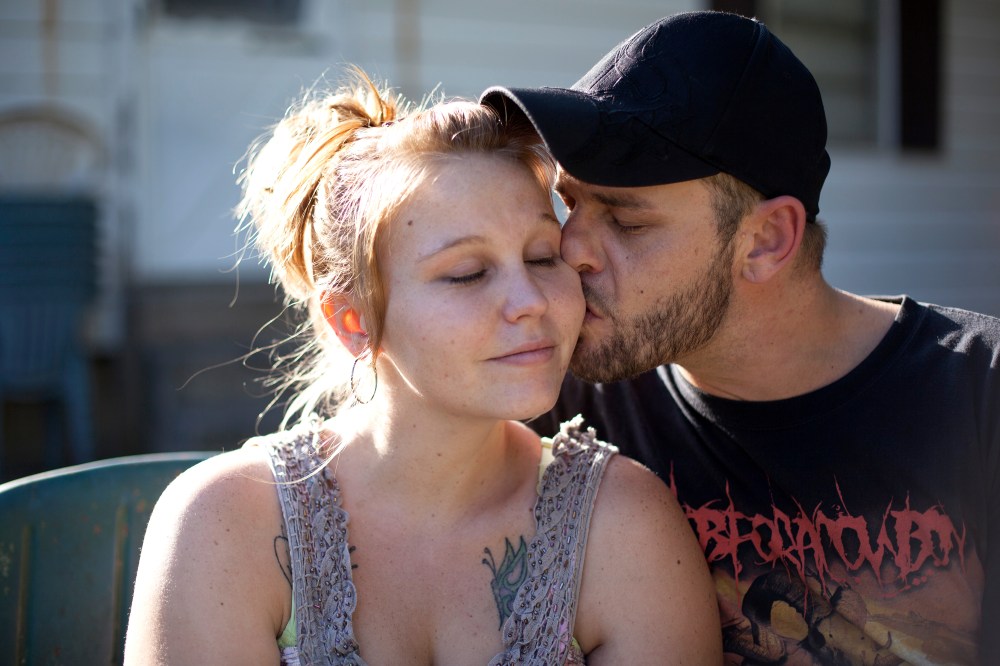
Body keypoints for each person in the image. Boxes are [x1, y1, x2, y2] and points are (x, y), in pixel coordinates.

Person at [123, 69, 721, 665]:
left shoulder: (621, 526)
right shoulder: (222, 527)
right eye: (467, 273)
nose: (532, 301)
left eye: (543, 256)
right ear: (353, 322)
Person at [480, 10, 1000, 666]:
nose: (572, 248)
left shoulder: (980, 394)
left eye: (627, 221)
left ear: (766, 241)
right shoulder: (565, 397)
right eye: (572, 203)